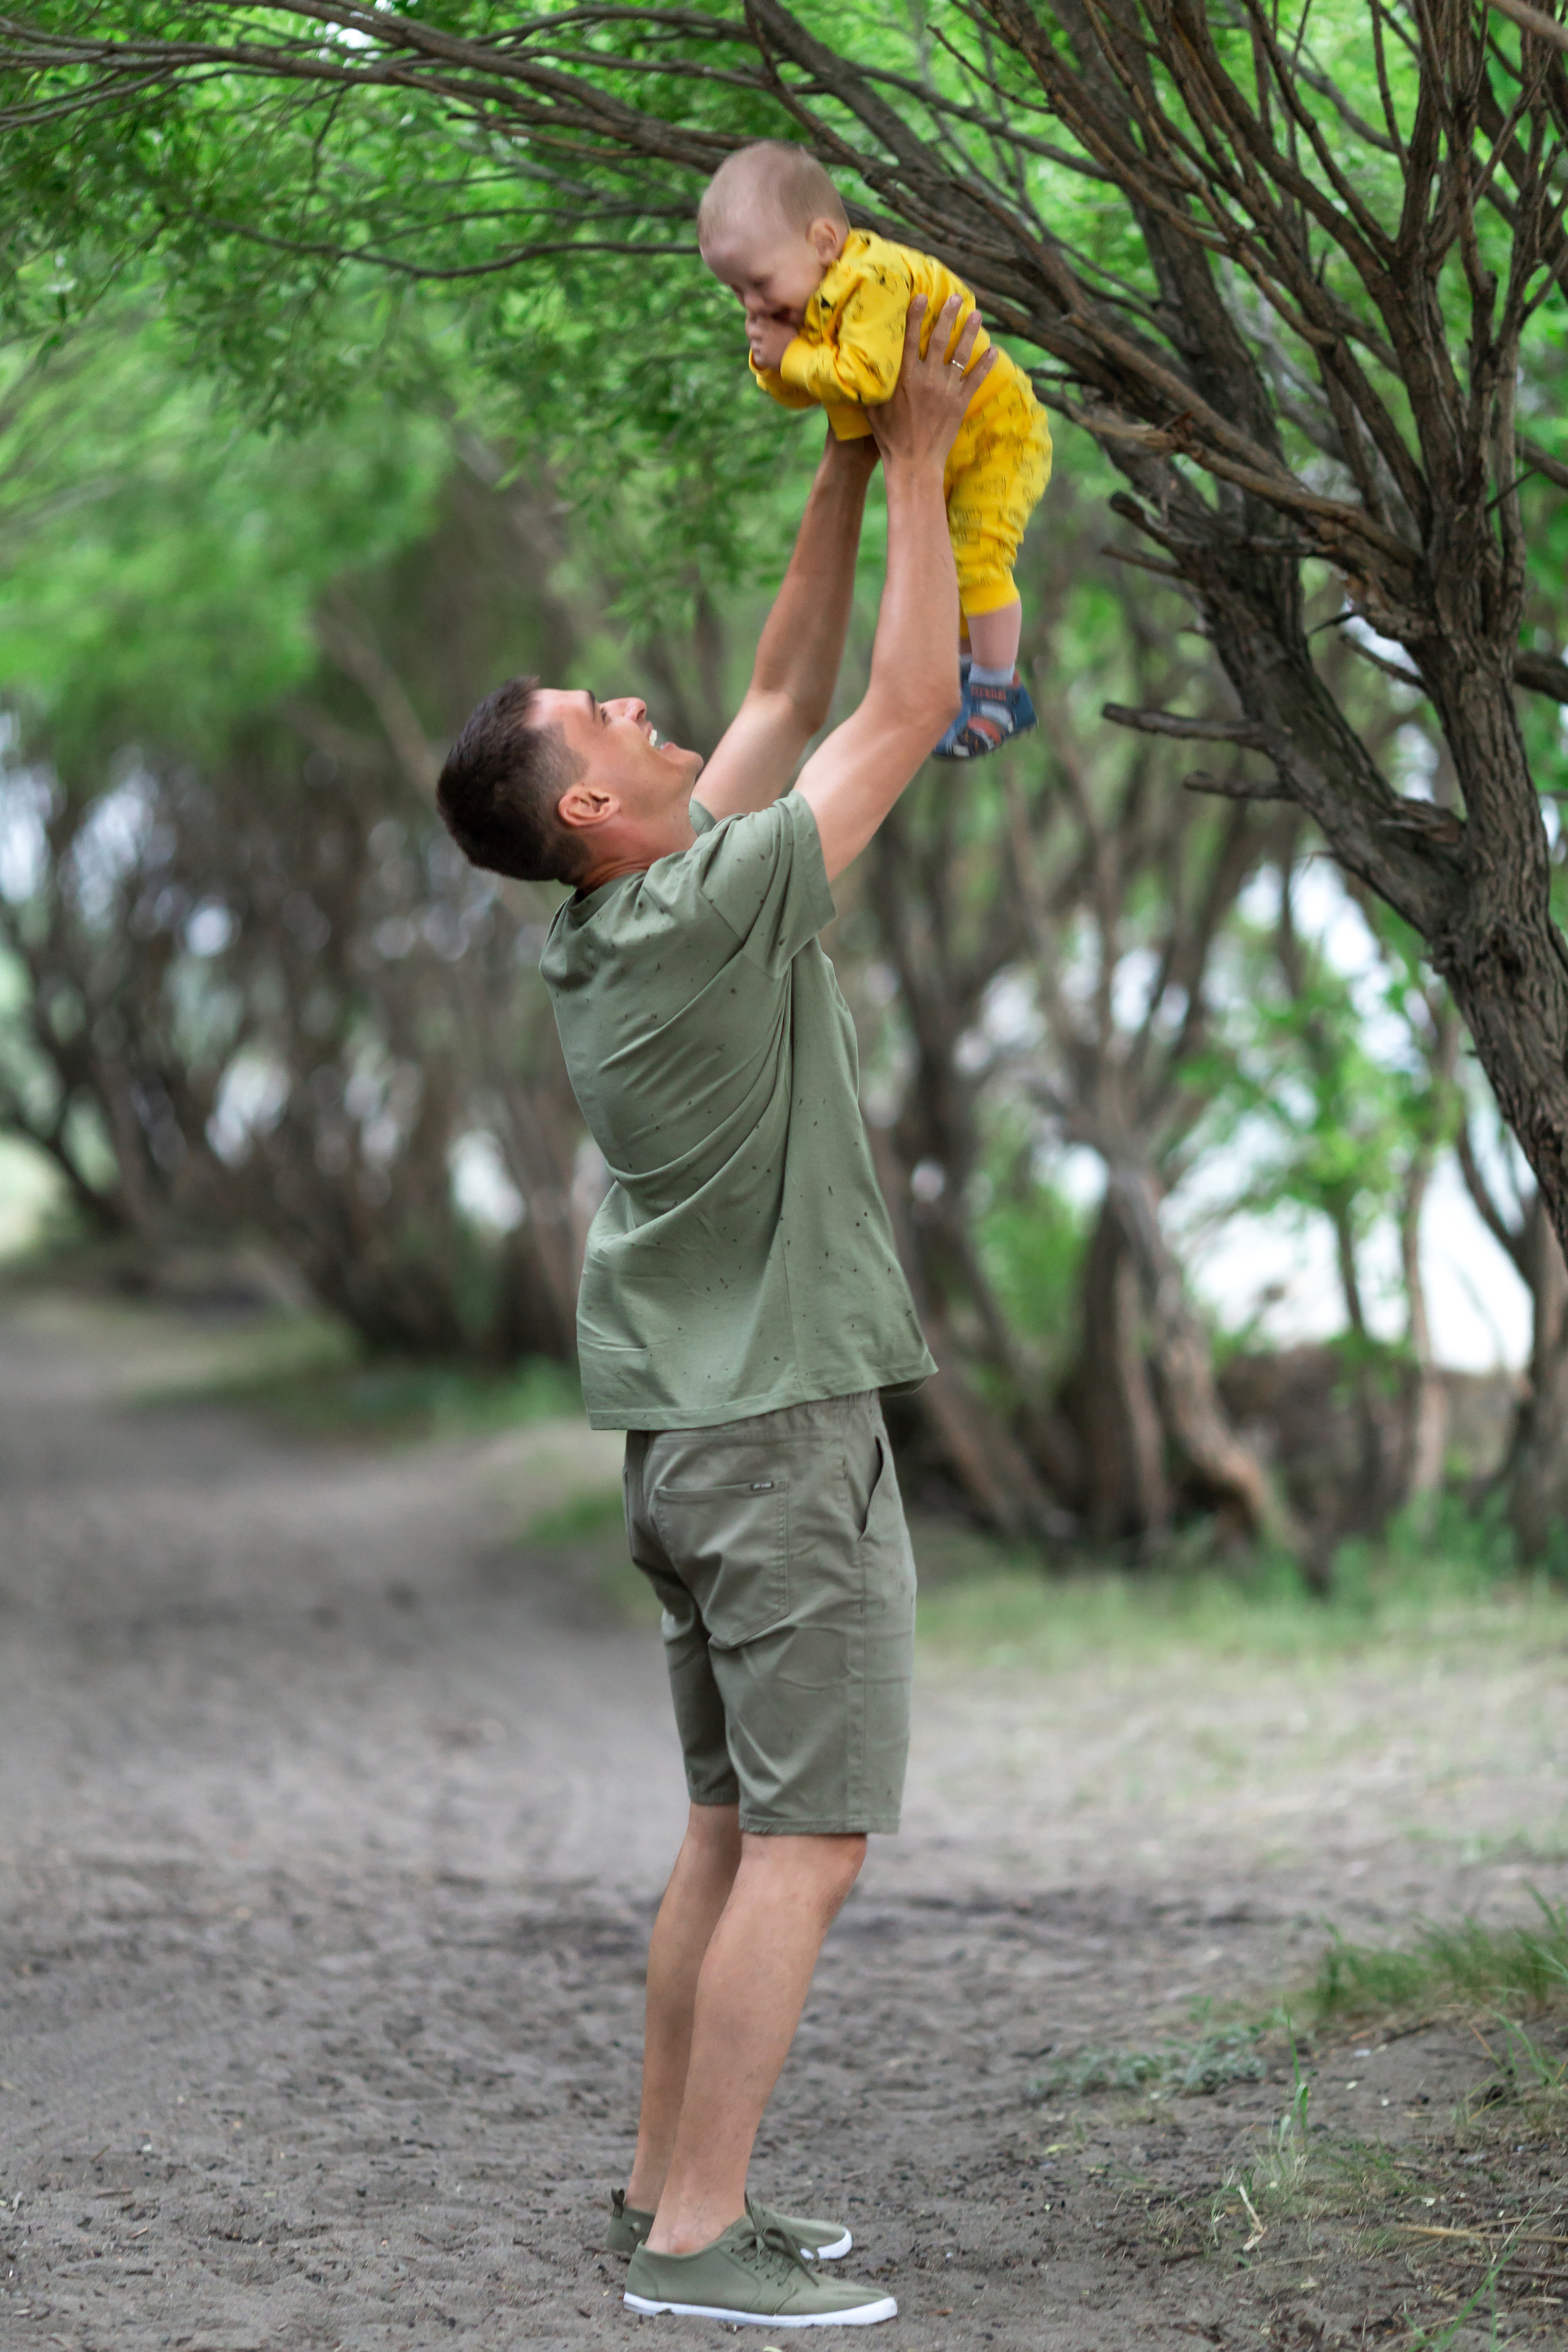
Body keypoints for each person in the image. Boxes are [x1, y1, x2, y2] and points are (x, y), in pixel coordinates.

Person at [435, 293, 990, 2329]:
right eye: (610, 727)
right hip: (772, 1433)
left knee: (729, 1823)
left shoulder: (625, 921)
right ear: (593, 813)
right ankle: (699, 2249)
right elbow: (903, 706)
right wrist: (930, 452)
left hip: (693, 1432)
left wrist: (842, 462)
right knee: (812, 1845)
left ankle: (663, 2195)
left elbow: (786, 676)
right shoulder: (701, 910)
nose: (646, 715)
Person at [698, 140, 1052, 763]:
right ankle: (974, 681)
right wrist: (769, 363)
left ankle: (1001, 692)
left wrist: (792, 357)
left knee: (974, 563)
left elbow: (863, 378)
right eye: (736, 293)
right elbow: (808, 390)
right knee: (945, 570)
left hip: (1000, 436)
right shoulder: (813, 298)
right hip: (945, 447)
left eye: (757, 282)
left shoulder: (874, 277)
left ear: (824, 242)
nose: (753, 305)